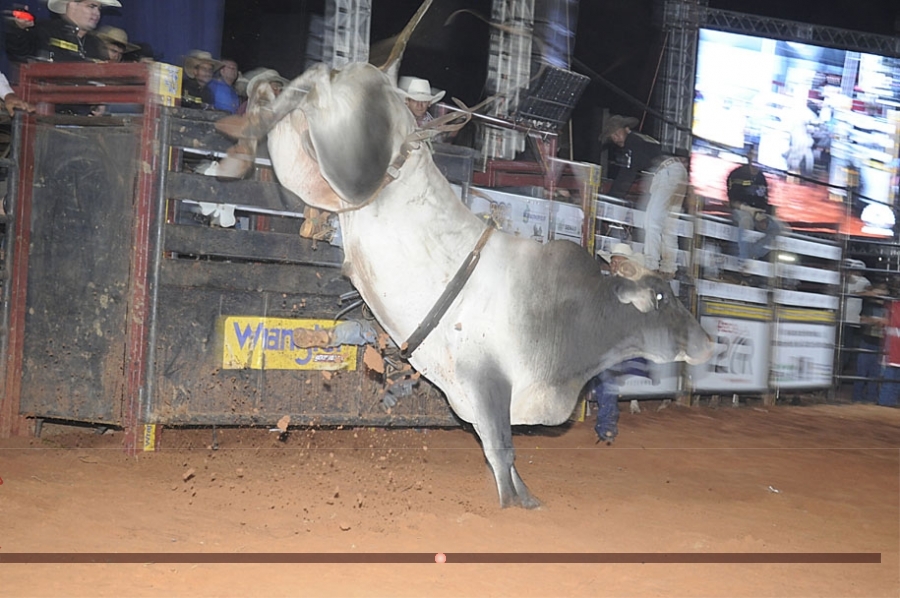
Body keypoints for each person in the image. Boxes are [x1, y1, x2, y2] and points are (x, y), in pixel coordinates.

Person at [601, 114, 687, 278]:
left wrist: (612, 196)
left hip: (666, 171)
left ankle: (652, 265)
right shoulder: (643, 141)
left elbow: (627, 174)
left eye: (617, 133)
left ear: (626, 130)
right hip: (677, 170)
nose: (615, 138)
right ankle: (669, 268)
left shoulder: (633, 142)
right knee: (668, 224)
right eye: (613, 136)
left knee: (651, 221)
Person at [587, 242, 650, 443]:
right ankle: (605, 424)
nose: (614, 264)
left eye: (618, 261)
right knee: (601, 379)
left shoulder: (633, 286)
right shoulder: (608, 284)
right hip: (602, 339)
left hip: (616, 343)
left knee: (607, 380)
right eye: (612, 261)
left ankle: (607, 427)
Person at [726, 144, 789, 272]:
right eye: (753, 155)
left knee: (780, 227)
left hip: (759, 213)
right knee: (745, 221)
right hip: (742, 210)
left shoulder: (762, 178)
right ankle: (743, 261)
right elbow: (732, 202)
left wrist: (763, 216)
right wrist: (750, 211)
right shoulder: (737, 174)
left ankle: (753, 251)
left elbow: (764, 200)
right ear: (748, 156)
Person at [5, 0, 118, 64]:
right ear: (72, 5)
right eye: (91, 6)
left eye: (99, 9)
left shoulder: (95, 43)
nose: (97, 13)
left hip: (84, 104)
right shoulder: (44, 30)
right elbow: (19, 52)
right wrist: (18, 29)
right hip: (45, 102)